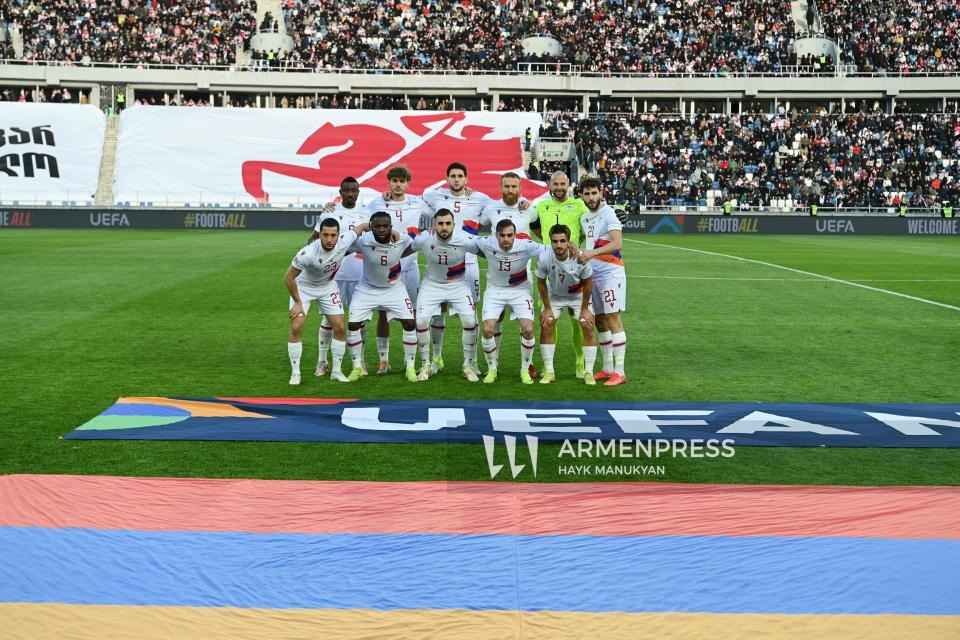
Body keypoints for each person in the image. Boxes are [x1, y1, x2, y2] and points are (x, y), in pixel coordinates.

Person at [421, 162, 491, 375]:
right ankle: (436, 358)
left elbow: (499, 206)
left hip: (469, 262)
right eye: (453, 176)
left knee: (471, 314)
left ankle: (472, 361)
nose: (457, 179)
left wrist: (522, 201)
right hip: (443, 263)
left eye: (460, 176)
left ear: (466, 179)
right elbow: (421, 198)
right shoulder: (436, 196)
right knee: (438, 312)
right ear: (447, 178)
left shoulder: (480, 198)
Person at [284, 218, 371, 385]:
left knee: (339, 327)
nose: (329, 239)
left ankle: (336, 372)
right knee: (296, 326)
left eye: (333, 235)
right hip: (304, 288)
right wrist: (298, 303)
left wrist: (382, 230)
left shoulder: (345, 241)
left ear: (339, 235)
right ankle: (295, 373)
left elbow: (361, 227)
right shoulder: (308, 253)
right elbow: (288, 277)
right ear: (320, 235)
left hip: (327, 287)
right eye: (325, 235)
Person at [364, 164, 430, 375]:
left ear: (408, 183)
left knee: (412, 315)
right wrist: (332, 206)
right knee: (383, 314)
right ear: (389, 182)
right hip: (385, 268)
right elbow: (359, 217)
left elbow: (441, 211)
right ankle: (383, 360)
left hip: (410, 267)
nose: (398, 184)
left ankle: (410, 360)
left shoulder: (417, 202)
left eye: (402, 181)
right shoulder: (377, 202)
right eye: (395, 181)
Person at [467, 219, 546, 384]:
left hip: (520, 291)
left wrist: (577, 251)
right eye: (502, 235)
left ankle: (524, 370)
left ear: (515, 235)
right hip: (494, 291)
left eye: (510, 235)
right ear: (496, 235)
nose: (506, 239)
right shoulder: (487, 243)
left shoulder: (526, 245)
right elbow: (462, 240)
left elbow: (550, 249)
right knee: (487, 330)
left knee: (528, 330)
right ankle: (492, 369)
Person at [345, 211, 420, 382]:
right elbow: (343, 243)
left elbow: (417, 245)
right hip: (367, 288)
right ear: (371, 228)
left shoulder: (402, 240)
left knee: (410, 323)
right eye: (377, 226)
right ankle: (357, 367)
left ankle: (410, 367)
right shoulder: (363, 241)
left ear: (391, 227)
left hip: (394, 288)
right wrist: (361, 227)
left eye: (385, 226)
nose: (381, 229)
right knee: (353, 324)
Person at [410, 209, 481, 381]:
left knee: (470, 321)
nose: (444, 227)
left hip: (458, 284)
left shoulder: (465, 238)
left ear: (454, 225)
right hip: (432, 284)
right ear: (434, 225)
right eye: (440, 223)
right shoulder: (424, 237)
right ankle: (426, 364)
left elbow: (487, 250)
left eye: (448, 223)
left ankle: (468, 364)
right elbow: (405, 248)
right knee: (420, 322)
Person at [532, 171, 590, 377]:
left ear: (568, 185)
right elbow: (534, 227)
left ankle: (580, 361)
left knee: (578, 321)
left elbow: (589, 224)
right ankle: (549, 367)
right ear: (550, 185)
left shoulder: (579, 205)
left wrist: (576, 244)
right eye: (555, 184)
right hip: (550, 269)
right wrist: (547, 243)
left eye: (562, 184)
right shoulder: (541, 206)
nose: (559, 187)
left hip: (574, 268)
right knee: (549, 320)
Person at [309, 177, 367, 377]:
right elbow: (312, 241)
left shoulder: (366, 213)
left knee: (360, 321)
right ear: (340, 192)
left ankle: (360, 361)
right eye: (346, 190)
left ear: (358, 192)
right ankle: (322, 361)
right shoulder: (330, 212)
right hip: (334, 277)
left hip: (361, 275)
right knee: (328, 320)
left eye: (353, 190)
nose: (350, 194)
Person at [578, 177, 627, 386]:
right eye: (586, 194)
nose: (590, 197)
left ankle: (620, 371)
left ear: (601, 192)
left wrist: (592, 253)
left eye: (594, 193)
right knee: (599, 320)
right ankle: (607, 368)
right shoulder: (584, 217)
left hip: (610, 273)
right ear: (581, 196)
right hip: (593, 274)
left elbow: (617, 243)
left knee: (613, 319)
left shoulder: (609, 213)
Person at [536, 225, 596, 385]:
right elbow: (540, 282)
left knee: (587, 324)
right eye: (555, 241)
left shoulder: (580, 258)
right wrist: (547, 308)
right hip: (555, 295)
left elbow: (588, 283)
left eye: (562, 241)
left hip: (578, 296)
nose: (559, 245)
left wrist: (585, 309)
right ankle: (549, 372)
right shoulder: (544, 257)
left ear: (568, 242)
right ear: (550, 242)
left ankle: (588, 372)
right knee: (547, 323)